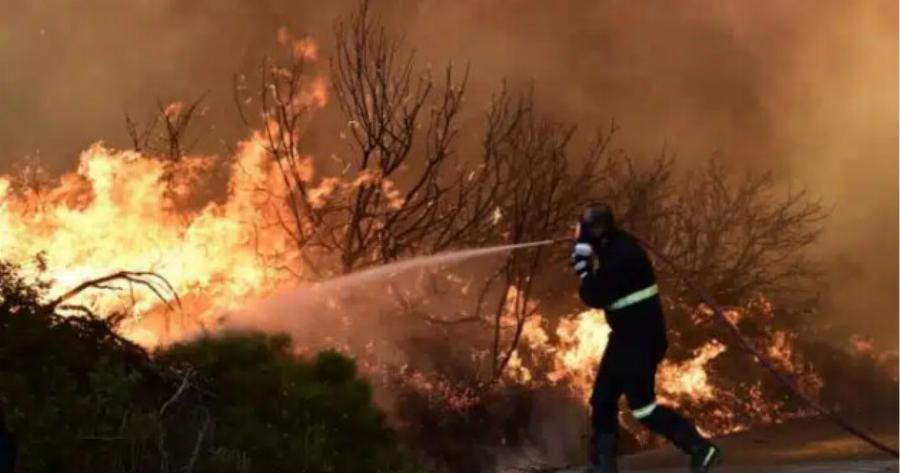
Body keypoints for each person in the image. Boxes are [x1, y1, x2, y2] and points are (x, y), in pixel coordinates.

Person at [570, 204, 721, 473]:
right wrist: (588, 257)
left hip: (642, 340)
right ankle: (604, 466)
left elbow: (596, 295)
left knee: (641, 407)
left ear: (596, 230)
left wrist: (583, 271)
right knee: (602, 399)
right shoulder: (612, 247)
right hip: (625, 337)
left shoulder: (622, 255)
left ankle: (700, 448)